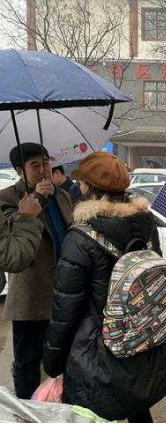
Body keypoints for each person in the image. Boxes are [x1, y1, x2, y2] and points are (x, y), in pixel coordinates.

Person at [43, 152, 166, 423]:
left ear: (88, 187)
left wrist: (53, 361)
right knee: (136, 403)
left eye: (82, 181)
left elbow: (66, 309)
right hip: (142, 337)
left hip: (97, 351)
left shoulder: (80, 238)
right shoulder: (146, 225)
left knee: (95, 413)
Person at [0, 143, 73, 400]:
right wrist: (36, 200)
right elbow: (10, 240)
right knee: (27, 360)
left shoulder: (62, 195)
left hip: (64, 292)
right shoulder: (8, 197)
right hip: (30, 295)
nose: (44, 170)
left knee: (64, 358)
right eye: (35, 165)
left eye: (46, 163)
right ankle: (26, 407)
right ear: (20, 171)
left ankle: (58, 405)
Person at [0, 193, 43, 272]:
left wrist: (21, 213)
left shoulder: (61, 195)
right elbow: (12, 258)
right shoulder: (7, 195)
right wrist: (27, 217)